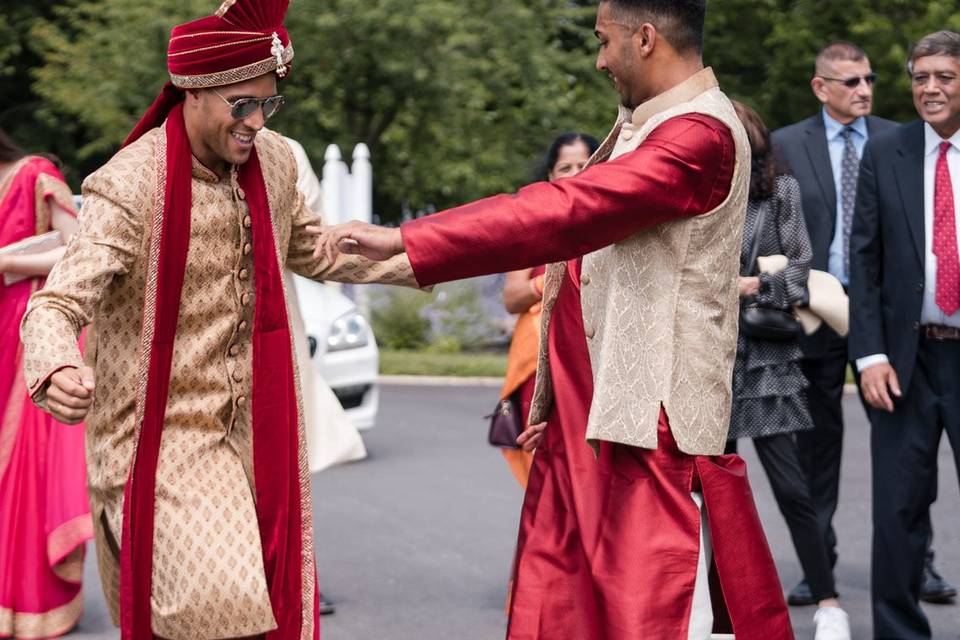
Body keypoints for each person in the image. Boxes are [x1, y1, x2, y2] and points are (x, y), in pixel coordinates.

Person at [315, 1, 794, 637]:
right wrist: (367, 260)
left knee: (648, 616)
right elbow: (569, 252)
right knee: (561, 616)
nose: (599, 59)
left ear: (645, 38)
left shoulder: (697, 134)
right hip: (588, 425)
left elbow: (562, 213)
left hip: (648, 432)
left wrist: (404, 237)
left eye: (604, 40)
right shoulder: (644, 124)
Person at [18, 1, 419, 637]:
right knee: (223, 608)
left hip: (255, 438)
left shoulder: (278, 162)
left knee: (260, 617)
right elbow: (57, 303)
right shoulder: (130, 185)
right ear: (193, 91)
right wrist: (55, 363)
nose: (257, 121)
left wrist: (434, 250)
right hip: (154, 442)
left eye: (268, 103)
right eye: (243, 104)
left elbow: (316, 252)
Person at [770, 41, 954, 607]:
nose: (864, 90)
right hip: (819, 311)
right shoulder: (786, 146)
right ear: (820, 88)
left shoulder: (899, 139)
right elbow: (774, 227)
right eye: (850, 82)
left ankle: (917, 562)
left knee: (908, 450)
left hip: (891, 316)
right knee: (816, 446)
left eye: (869, 79)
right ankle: (816, 563)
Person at [849, 30, 960, 640]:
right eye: (920, 77)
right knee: (897, 515)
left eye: (943, 75)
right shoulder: (886, 151)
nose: (930, 88)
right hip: (902, 364)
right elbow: (863, 263)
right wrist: (868, 354)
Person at [726, 103, 850, 639]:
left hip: (766, 362)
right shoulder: (693, 199)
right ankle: (713, 611)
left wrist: (751, 286)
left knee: (792, 489)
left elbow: (800, 272)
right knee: (709, 492)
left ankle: (829, 606)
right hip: (705, 361)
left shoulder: (779, 191)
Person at [0, 130, 92, 637]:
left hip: (27, 339)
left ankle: (30, 604)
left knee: (25, 476)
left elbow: (82, 253)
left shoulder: (34, 174)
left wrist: (8, 261)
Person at [499, 132, 598, 489]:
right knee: (546, 474)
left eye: (583, 164)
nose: (574, 173)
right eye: (564, 167)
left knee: (589, 472)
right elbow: (512, 298)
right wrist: (553, 282)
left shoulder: (613, 225)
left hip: (592, 368)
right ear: (550, 177)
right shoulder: (534, 227)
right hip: (539, 369)